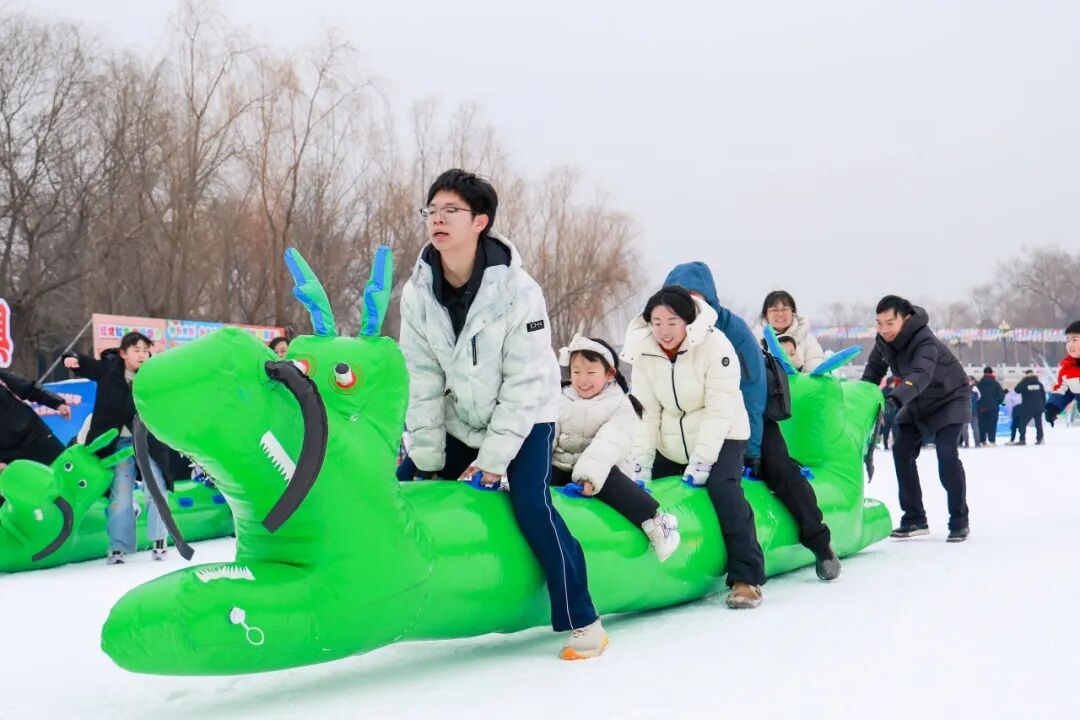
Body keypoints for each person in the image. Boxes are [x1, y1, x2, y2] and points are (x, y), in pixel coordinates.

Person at [396, 169, 605, 660]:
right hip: (460, 416)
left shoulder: (519, 290)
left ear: (480, 222)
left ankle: (583, 618)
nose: (438, 219)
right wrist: (427, 458)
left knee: (531, 504)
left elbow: (525, 383)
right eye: (432, 211)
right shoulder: (417, 293)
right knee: (406, 489)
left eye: (451, 211)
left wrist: (492, 462)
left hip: (527, 415)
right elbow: (421, 380)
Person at [664, 263, 840, 581]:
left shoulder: (732, 331)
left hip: (746, 418)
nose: (688, 302)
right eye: (679, 295)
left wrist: (753, 449)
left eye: (694, 295)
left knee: (781, 470)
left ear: (709, 297)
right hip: (695, 423)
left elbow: (753, 390)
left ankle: (819, 541)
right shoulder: (666, 332)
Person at [622, 285, 767, 607]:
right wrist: (640, 463)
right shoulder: (645, 352)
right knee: (642, 491)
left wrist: (703, 461)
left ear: (687, 320)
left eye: (672, 322)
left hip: (724, 432)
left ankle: (746, 578)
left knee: (723, 488)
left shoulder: (716, 345)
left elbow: (720, 408)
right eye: (656, 323)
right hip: (672, 439)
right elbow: (646, 412)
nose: (664, 331)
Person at [552, 335, 680, 561]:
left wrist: (588, 477)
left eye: (591, 372)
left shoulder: (621, 404)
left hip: (605, 468)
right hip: (564, 465)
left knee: (609, 479)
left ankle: (656, 521)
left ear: (609, 374)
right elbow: (548, 436)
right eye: (576, 372)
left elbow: (607, 445)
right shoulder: (561, 398)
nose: (582, 379)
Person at [861, 296, 971, 542]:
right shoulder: (883, 342)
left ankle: (959, 520)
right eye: (879, 323)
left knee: (946, 455)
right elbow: (872, 374)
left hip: (949, 397)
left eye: (890, 323)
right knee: (901, 449)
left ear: (906, 319)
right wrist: (859, 400)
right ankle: (914, 518)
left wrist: (895, 399)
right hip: (918, 401)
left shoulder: (924, 341)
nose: (884, 329)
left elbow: (921, 374)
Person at [63, 332, 172, 564]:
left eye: (146, 351)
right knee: (121, 494)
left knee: (156, 488)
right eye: (136, 350)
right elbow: (81, 362)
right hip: (119, 445)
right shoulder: (107, 370)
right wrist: (70, 358)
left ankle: (159, 540)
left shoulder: (153, 376)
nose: (142, 355)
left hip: (147, 443)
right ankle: (118, 546)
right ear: (123, 353)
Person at [1, 369, 71, 466]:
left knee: (68, 467)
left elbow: (28, 388)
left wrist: (57, 403)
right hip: (9, 457)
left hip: (37, 435)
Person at [752, 291, 825, 372]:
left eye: (784, 309)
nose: (780, 314)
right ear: (766, 314)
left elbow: (815, 365)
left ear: (793, 312)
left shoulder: (807, 340)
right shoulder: (755, 340)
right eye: (774, 310)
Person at [1045, 320, 1080, 427]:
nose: (1070, 344)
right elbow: (1063, 391)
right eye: (1067, 340)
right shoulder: (1067, 369)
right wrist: (1052, 408)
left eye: (1074, 340)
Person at [1013, 369, 1046, 445]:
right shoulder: (1039, 384)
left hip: (1027, 407)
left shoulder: (1025, 383)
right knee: (1038, 424)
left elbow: (1016, 390)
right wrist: (1043, 406)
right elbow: (1043, 396)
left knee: (1022, 423)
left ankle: (1022, 440)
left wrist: (1023, 380)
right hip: (1038, 407)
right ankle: (1040, 439)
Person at [976, 367, 1005, 446]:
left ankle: (982, 441)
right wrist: (997, 403)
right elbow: (1001, 395)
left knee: (982, 424)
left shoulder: (979, 384)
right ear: (992, 373)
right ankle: (992, 441)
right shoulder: (996, 384)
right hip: (993, 407)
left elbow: (976, 395)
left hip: (981, 407)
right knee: (992, 424)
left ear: (984, 373)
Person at [960, 376, 982, 448]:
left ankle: (966, 443)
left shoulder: (962, 389)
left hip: (965, 412)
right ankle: (977, 443)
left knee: (965, 429)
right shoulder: (975, 389)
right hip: (973, 411)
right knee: (975, 428)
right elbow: (979, 398)